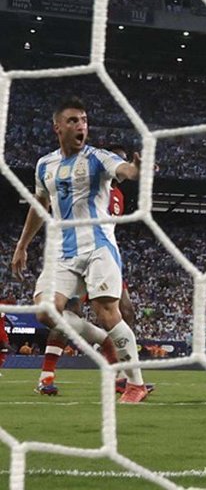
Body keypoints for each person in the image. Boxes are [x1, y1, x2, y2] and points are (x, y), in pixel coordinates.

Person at [10, 97, 150, 403]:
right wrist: (22, 245)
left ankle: (136, 383)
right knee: (46, 311)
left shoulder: (98, 158)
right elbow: (39, 204)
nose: (81, 126)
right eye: (73, 120)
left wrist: (135, 169)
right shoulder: (45, 165)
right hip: (62, 250)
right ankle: (104, 341)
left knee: (107, 311)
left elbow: (123, 169)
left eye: (84, 120)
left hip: (97, 246)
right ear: (57, 127)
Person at [37, 142, 144, 397]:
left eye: (122, 160)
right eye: (116, 160)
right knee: (62, 312)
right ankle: (47, 374)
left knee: (124, 310)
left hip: (102, 254)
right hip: (73, 253)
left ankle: (122, 373)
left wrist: (133, 169)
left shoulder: (117, 196)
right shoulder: (87, 181)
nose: (118, 166)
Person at [0, 311, 10, 375]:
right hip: (1, 334)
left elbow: (4, 316)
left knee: (4, 351)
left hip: (2, 334)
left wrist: (11, 324)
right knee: (4, 349)